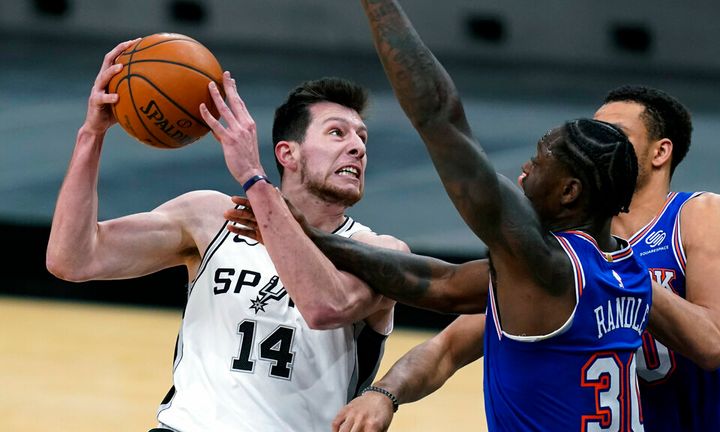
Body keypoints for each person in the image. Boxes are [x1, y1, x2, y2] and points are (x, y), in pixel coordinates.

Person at [232, 2, 652, 431]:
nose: (524, 172)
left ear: (569, 192)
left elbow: (439, 116)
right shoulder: (630, 269)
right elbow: (443, 285)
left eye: (539, 162)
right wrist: (314, 239)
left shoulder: (543, 265)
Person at [45, 39, 409, 431]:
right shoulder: (210, 218)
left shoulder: (380, 251)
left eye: (362, 138)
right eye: (337, 133)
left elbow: (325, 308)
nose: (356, 147)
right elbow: (72, 259)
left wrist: (254, 178)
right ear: (288, 154)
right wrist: (92, 133)